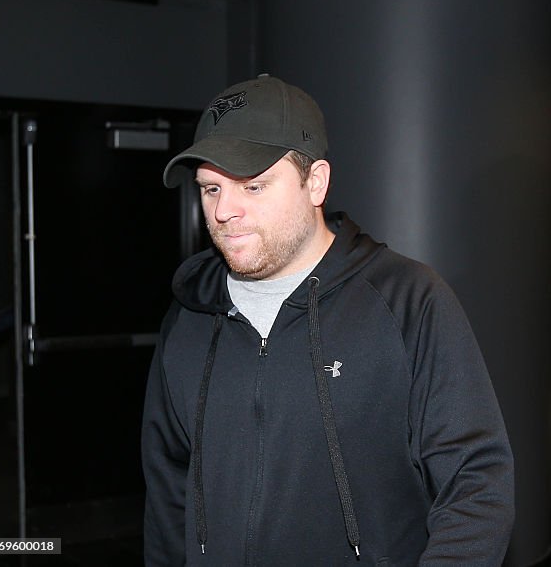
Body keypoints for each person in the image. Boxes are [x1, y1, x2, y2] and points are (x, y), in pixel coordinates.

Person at [142, 74, 514, 566]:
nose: (224, 210)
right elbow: (169, 493)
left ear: (315, 181)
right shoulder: (188, 316)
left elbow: (476, 482)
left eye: (253, 185)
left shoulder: (407, 301)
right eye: (211, 188)